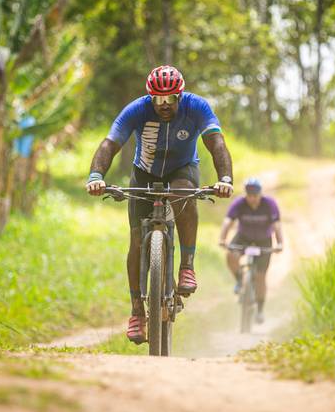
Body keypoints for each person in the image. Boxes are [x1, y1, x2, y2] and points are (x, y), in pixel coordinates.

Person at [85, 65, 234, 344]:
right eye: (158, 99)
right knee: (136, 241)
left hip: (182, 169)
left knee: (183, 194)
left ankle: (186, 266)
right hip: (144, 172)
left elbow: (217, 143)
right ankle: (137, 312)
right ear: (150, 97)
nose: (164, 105)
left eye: (170, 99)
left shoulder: (197, 107)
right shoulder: (136, 110)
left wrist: (225, 178)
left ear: (180, 95)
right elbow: (109, 144)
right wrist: (96, 176)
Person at [218, 177, 283, 324]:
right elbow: (228, 221)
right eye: (249, 195)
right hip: (243, 237)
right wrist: (222, 238)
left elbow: (277, 225)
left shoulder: (269, 204)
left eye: (255, 195)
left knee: (260, 277)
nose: (252, 199)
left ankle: (260, 310)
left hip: (264, 240)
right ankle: (240, 280)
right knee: (231, 255)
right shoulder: (239, 203)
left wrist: (279, 243)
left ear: (260, 194)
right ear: (245, 194)